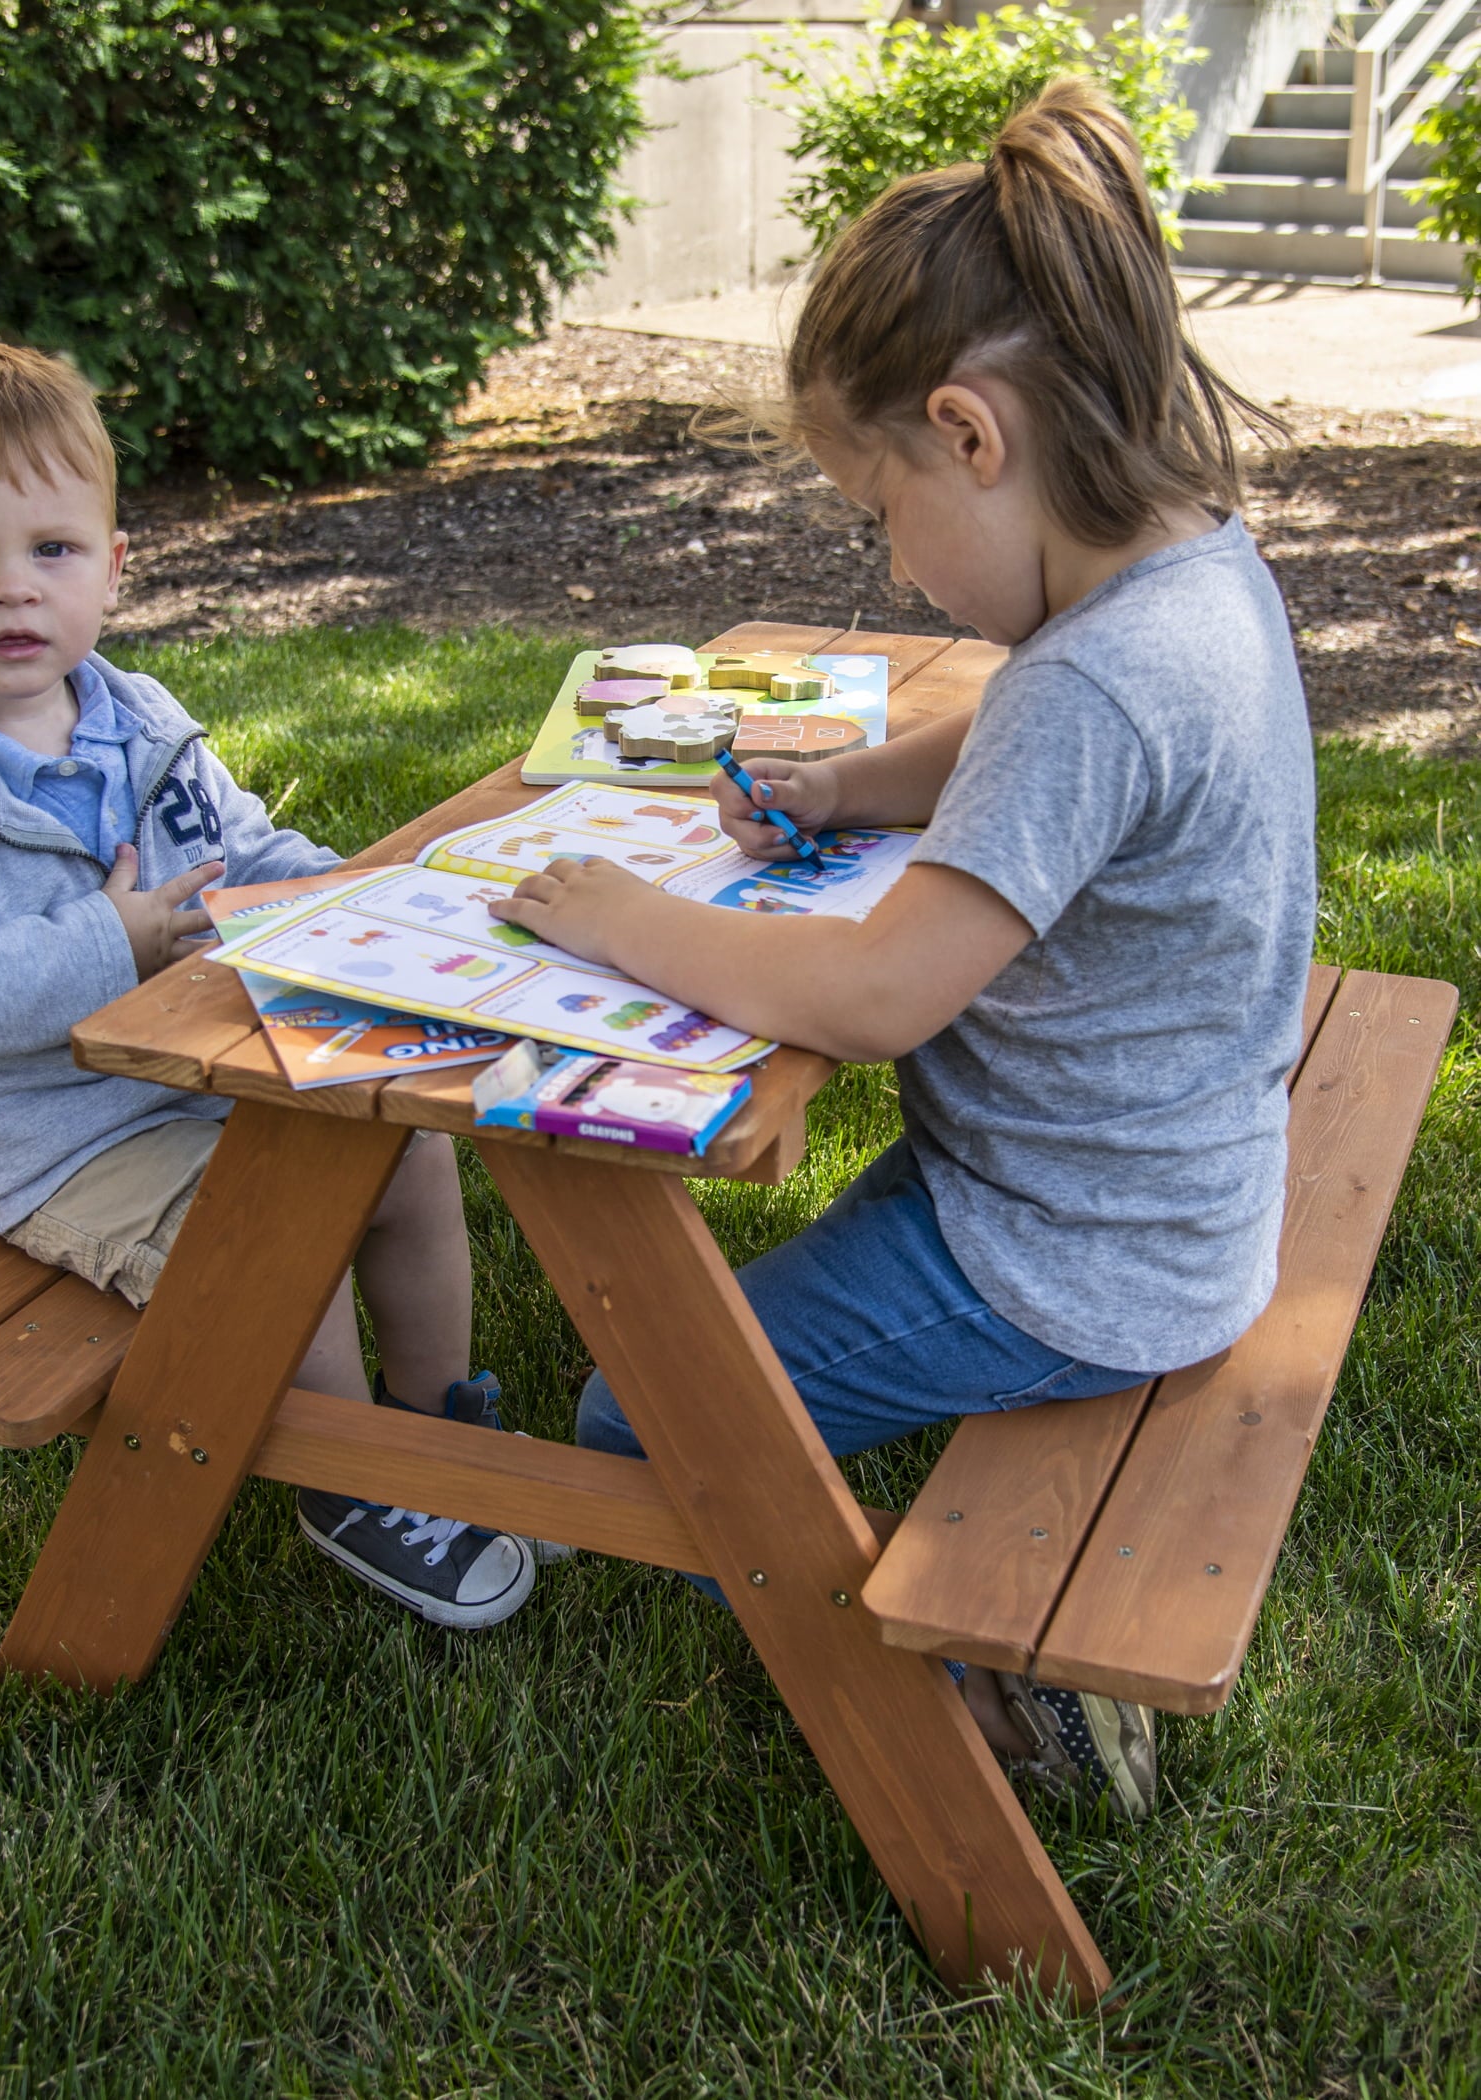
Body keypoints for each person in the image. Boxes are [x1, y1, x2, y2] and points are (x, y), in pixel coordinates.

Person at [487, 79, 1313, 1817]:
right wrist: (859, 780)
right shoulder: (1185, 575)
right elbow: (1019, 742)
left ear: (968, 432)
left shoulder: (1096, 677)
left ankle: (997, 1679)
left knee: (649, 1423)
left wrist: (628, 919)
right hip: (1146, 1199)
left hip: (1071, 1257)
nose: (893, 559)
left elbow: (873, 1000)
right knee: (716, 1339)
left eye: (876, 509)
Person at [0, 339, 541, 1630]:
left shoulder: (133, 714)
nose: (13, 590)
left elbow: (241, 849)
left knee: (410, 1157)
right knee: (262, 1237)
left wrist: (355, 894)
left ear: (114, 565)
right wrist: (108, 942)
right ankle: (349, 1480)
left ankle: (441, 1433)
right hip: (74, 1144)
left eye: (52, 550)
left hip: (221, 1068)